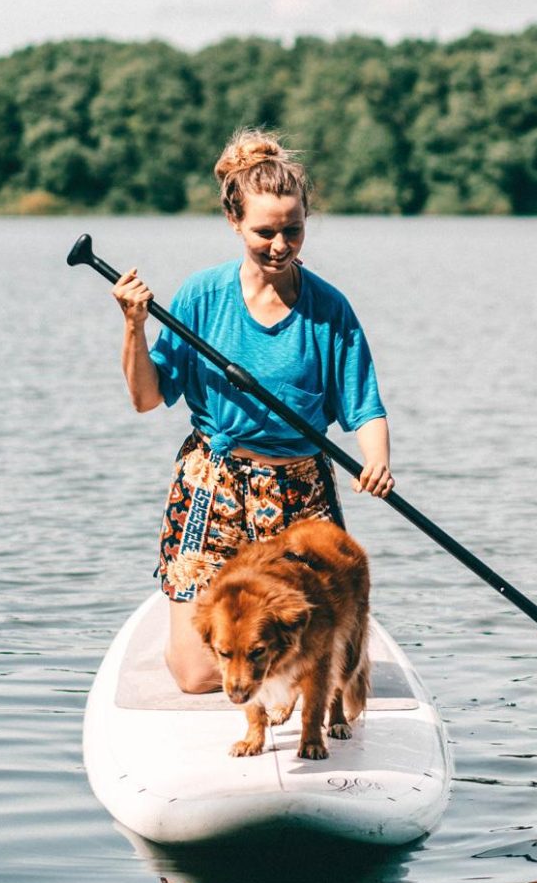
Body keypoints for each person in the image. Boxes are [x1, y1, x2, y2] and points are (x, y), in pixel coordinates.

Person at [112, 130, 393, 693]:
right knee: (196, 678)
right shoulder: (201, 297)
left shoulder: (329, 309)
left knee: (317, 669)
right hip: (215, 484)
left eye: (293, 229)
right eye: (265, 232)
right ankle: (206, 642)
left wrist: (376, 461)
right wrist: (134, 326)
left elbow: (364, 407)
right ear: (235, 223)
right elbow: (146, 398)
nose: (280, 245)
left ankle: (291, 668)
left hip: (300, 492)